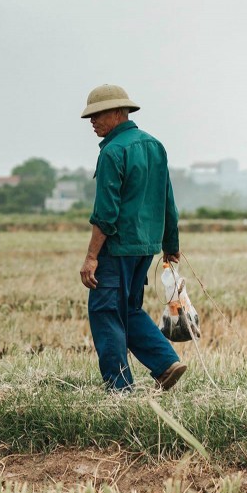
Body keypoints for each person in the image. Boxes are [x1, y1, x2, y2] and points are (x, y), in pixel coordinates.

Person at [78, 84, 186, 392]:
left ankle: (119, 388)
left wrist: (91, 257)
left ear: (116, 112)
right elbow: (168, 200)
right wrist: (171, 245)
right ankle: (166, 364)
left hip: (118, 247)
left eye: (96, 115)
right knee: (127, 309)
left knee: (105, 311)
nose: (92, 122)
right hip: (145, 249)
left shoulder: (113, 152)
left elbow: (106, 213)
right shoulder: (155, 146)